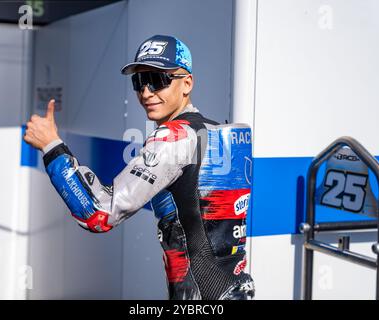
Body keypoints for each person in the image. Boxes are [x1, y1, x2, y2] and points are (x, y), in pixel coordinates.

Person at [24, 35, 255, 300]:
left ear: (187, 83)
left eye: (158, 80)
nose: (146, 92)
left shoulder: (173, 138)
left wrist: (52, 146)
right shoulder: (225, 133)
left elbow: (97, 214)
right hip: (236, 290)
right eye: (139, 81)